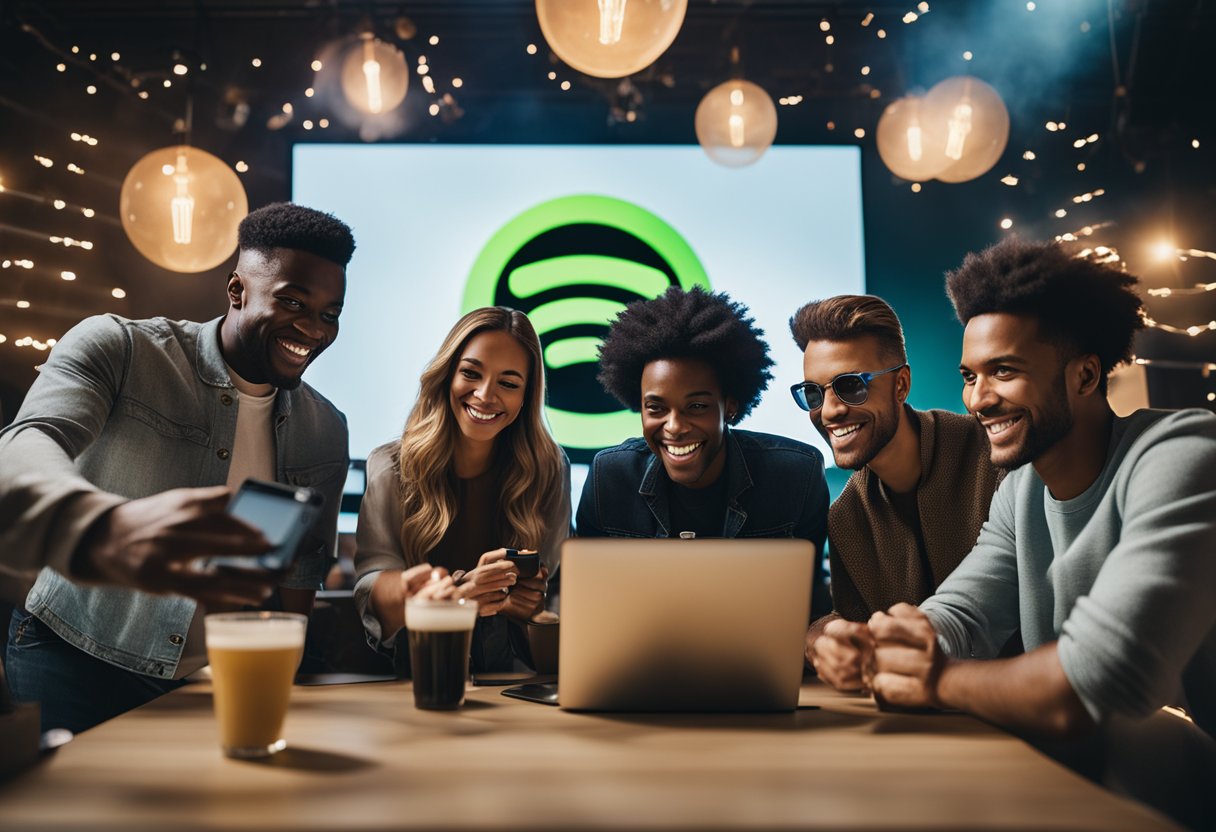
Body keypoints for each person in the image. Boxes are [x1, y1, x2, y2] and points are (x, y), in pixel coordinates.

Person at [867, 238, 1216, 825]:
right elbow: (961, 616)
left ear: (1083, 375)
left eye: (1003, 371)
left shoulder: (1183, 453)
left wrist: (934, 680)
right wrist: (888, 641)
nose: (978, 400)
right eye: (968, 376)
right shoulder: (1021, 491)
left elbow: (1096, 686)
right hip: (1101, 798)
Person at [1, 202, 355, 733]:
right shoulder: (119, 347)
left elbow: (301, 569)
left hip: (214, 678)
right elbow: (27, 441)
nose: (312, 328)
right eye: (292, 302)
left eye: (330, 314)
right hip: (71, 653)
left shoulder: (326, 427)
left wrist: (281, 666)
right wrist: (103, 527)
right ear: (236, 290)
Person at [789, 295, 1002, 691]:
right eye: (814, 394)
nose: (830, 411)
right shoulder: (846, 516)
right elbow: (854, 626)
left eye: (850, 386)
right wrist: (821, 637)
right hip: (921, 723)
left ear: (901, 384)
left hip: (1017, 717)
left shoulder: (995, 456)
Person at [578, 286, 830, 616]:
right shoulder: (609, 478)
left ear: (731, 407)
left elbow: (807, 606)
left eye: (696, 406)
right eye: (656, 408)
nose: (674, 427)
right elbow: (591, 606)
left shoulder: (796, 476)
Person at [354, 307, 570, 675]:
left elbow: (549, 611)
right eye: (471, 373)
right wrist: (453, 595)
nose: (485, 395)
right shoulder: (391, 467)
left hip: (513, 683)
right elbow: (373, 592)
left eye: (509, 383)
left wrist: (529, 609)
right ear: (447, 375)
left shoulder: (548, 469)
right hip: (414, 676)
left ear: (526, 396)